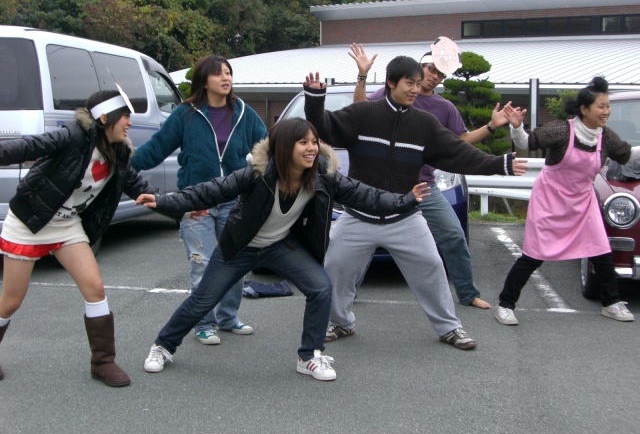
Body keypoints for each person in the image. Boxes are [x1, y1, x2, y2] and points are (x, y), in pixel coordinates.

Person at [135, 118, 429, 381]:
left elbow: (363, 195)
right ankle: (163, 346)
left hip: (279, 245)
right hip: (240, 247)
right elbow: (211, 190)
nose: (311, 148)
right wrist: (163, 201)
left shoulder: (323, 174)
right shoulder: (257, 173)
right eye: (303, 142)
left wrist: (404, 200)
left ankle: (309, 356)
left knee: (320, 287)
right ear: (286, 146)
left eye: (314, 142)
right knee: (203, 300)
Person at [303, 56, 527, 349]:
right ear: (391, 82)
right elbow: (323, 128)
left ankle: (450, 328)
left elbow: (457, 152)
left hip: (405, 216)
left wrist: (500, 164)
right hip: (358, 215)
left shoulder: (425, 123)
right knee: (335, 266)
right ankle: (340, 322)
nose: (415, 89)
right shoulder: (363, 113)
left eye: (418, 84)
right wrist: (314, 98)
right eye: (409, 83)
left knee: (432, 266)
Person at [0, 88, 160, 386]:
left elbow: (139, 187)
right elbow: (29, 146)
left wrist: (180, 207)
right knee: (10, 301)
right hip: (30, 222)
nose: (129, 123)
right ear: (104, 117)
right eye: (125, 116)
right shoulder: (73, 136)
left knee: (95, 288)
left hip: (67, 224)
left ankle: (103, 362)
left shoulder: (119, 151)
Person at [350, 40, 521, 309]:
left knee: (453, 235)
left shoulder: (445, 108)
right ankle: (347, 293)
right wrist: (362, 75)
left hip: (424, 186)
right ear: (419, 67)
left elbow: (460, 142)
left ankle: (468, 293)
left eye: (440, 74)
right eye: (431, 69)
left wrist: (491, 125)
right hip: (385, 184)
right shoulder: (393, 94)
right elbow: (359, 111)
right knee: (364, 240)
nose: (434, 76)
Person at [131, 55, 267, 345]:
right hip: (196, 202)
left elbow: (266, 146)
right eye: (219, 74)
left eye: (228, 73)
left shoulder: (244, 112)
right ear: (204, 81)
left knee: (235, 261)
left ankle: (228, 318)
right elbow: (156, 148)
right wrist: (122, 162)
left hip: (234, 200)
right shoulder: (186, 114)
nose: (226, 78)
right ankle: (204, 323)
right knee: (202, 264)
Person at [495, 76, 638, 325]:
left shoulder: (605, 136)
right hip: (549, 200)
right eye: (601, 106)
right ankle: (505, 305)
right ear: (584, 109)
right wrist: (517, 127)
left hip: (583, 200)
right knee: (534, 255)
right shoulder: (562, 130)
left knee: (601, 251)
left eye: (607, 106)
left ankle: (611, 303)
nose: (606, 111)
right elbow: (528, 142)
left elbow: (625, 155)